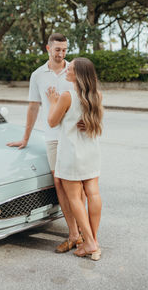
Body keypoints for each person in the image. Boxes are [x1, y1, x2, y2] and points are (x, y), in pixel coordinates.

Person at [7, 33, 83, 253]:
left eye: (64, 49)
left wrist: (87, 121)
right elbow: (33, 107)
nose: (61, 54)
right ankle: (74, 234)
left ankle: (84, 233)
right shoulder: (38, 75)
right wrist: (25, 138)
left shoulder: (73, 70)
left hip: (73, 136)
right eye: (57, 49)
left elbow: (88, 98)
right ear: (47, 48)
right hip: (52, 138)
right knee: (59, 184)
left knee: (77, 186)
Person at [46, 57, 103, 260]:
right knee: (93, 194)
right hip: (91, 151)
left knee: (74, 199)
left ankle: (89, 242)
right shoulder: (96, 95)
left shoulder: (67, 96)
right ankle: (93, 239)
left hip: (72, 153)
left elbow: (52, 122)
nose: (66, 71)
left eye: (69, 69)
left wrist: (53, 102)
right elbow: (96, 123)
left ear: (78, 74)